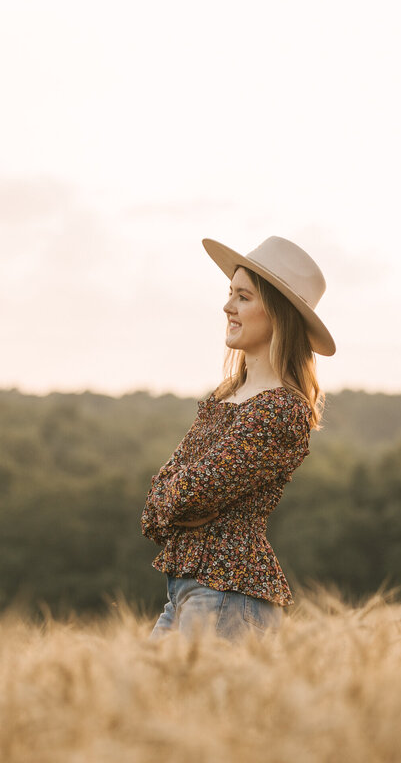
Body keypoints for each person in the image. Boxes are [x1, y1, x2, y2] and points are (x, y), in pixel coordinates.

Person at [141, 236, 335, 641]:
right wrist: (176, 505)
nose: (227, 307)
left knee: (195, 705)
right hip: (185, 588)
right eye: (230, 293)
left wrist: (180, 502)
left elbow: (191, 490)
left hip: (230, 591)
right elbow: (161, 494)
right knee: (138, 702)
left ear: (278, 314)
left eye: (243, 297)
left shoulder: (280, 410)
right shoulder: (225, 395)